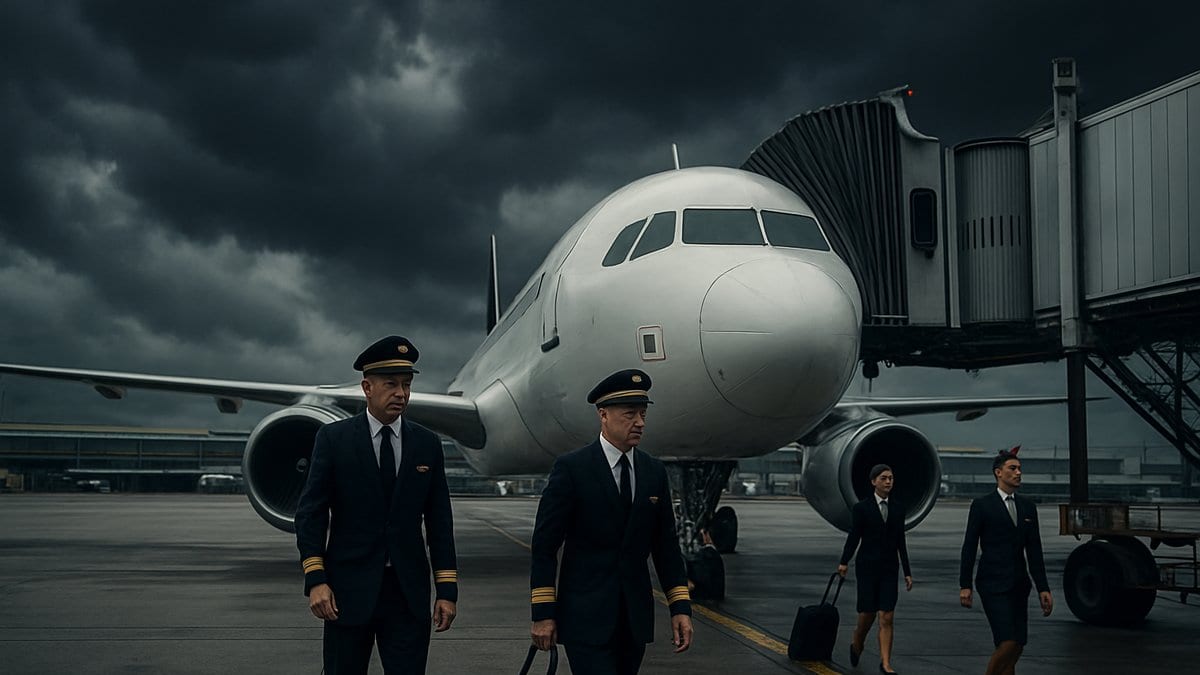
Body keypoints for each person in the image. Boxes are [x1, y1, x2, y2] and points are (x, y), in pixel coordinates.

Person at [295, 335, 458, 674]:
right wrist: (316, 579)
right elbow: (311, 513)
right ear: (367, 387)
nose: (401, 393)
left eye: (407, 384)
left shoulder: (426, 444)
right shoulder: (333, 439)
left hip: (407, 596)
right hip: (345, 594)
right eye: (391, 384)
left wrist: (447, 589)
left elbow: (440, 522)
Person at [529, 368, 694, 675]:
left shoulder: (653, 472)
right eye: (630, 414)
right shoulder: (572, 469)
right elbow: (544, 546)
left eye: (643, 414)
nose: (640, 423)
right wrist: (543, 613)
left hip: (633, 622)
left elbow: (666, 547)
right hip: (585, 620)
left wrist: (680, 607)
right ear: (603, 415)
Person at [959, 448, 1053, 675]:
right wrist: (965, 584)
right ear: (998, 473)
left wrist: (1043, 587)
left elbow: (1034, 550)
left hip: (1019, 585)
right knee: (1008, 641)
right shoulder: (982, 505)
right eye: (1013, 468)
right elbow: (969, 546)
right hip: (992, 584)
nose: (1018, 473)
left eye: (1020, 469)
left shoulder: (1028, 507)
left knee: (1017, 645)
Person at [837, 464, 912, 674]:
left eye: (891, 478)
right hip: (867, 567)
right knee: (867, 613)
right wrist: (844, 562)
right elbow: (854, 537)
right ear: (874, 482)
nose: (888, 482)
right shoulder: (862, 508)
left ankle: (886, 663)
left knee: (887, 616)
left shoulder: (898, 508)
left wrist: (907, 572)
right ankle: (857, 640)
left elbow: (901, 542)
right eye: (884, 478)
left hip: (889, 567)